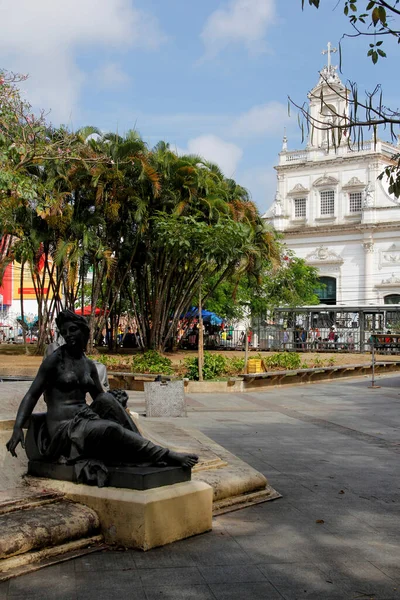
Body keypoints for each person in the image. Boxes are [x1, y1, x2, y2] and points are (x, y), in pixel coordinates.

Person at [6, 310, 198, 483]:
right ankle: (164, 455)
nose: (68, 336)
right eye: (64, 332)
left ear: (84, 332)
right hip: (64, 430)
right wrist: (17, 428)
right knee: (110, 428)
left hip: (84, 419)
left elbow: (101, 399)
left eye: (72, 330)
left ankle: (145, 453)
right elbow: (31, 395)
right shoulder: (55, 361)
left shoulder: (88, 365)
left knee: (108, 400)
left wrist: (116, 401)